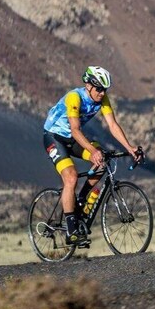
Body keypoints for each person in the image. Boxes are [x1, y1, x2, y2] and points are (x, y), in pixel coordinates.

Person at [43, 66, 143, 245]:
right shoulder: (75, 97)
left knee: (102, 161)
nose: (102, 93)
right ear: (88, 85)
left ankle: (81, 198)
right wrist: (92, 150)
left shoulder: (103, 99)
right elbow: (74, 129)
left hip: (73, 138)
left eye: (105, 89)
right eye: (98, 88)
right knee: (71, 177)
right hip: (54, 137)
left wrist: (129, 147)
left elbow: (112, 125)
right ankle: (71, 229)